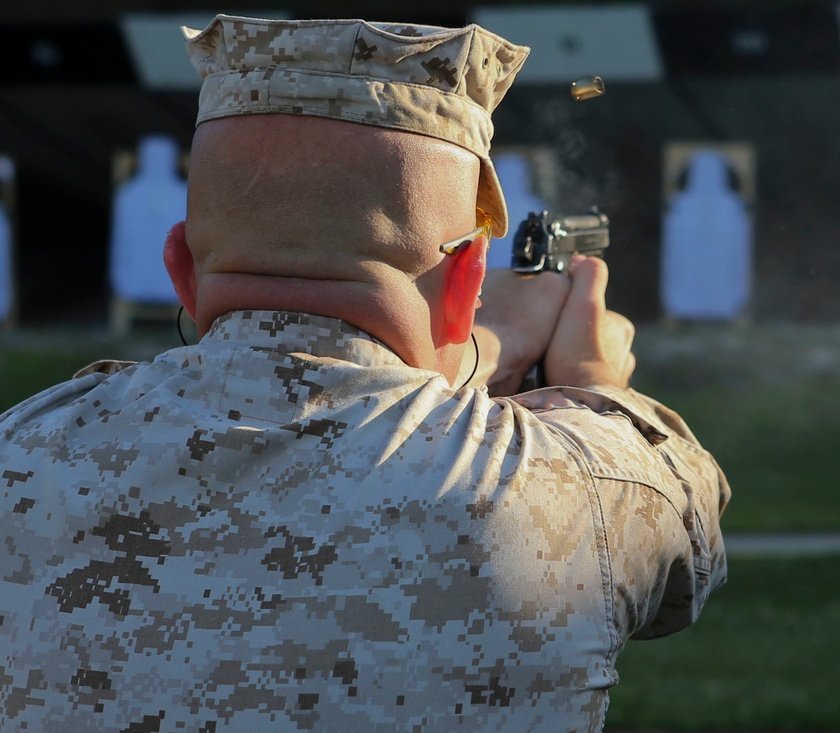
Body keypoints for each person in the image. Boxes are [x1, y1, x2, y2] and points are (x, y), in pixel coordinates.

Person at [0, 15, 730, 732]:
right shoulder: (583, 488)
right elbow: (687, 559)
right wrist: (592, 383)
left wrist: (480, 347)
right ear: (471, 273)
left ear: (179, 268)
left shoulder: (22, 456)